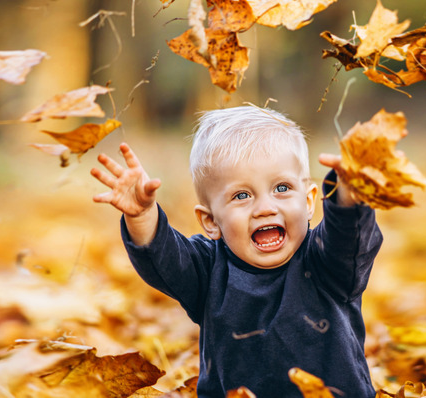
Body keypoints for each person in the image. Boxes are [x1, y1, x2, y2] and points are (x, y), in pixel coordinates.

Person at [90, 106, 383, 397]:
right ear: (211, 221)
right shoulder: (207, 269)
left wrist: (350, 194)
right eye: (242, 195)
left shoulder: (326, 260)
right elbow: (164, 258)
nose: (266, 208)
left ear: (308, 202)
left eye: (281, 188)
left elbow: (350, 238)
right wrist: (141, 216)